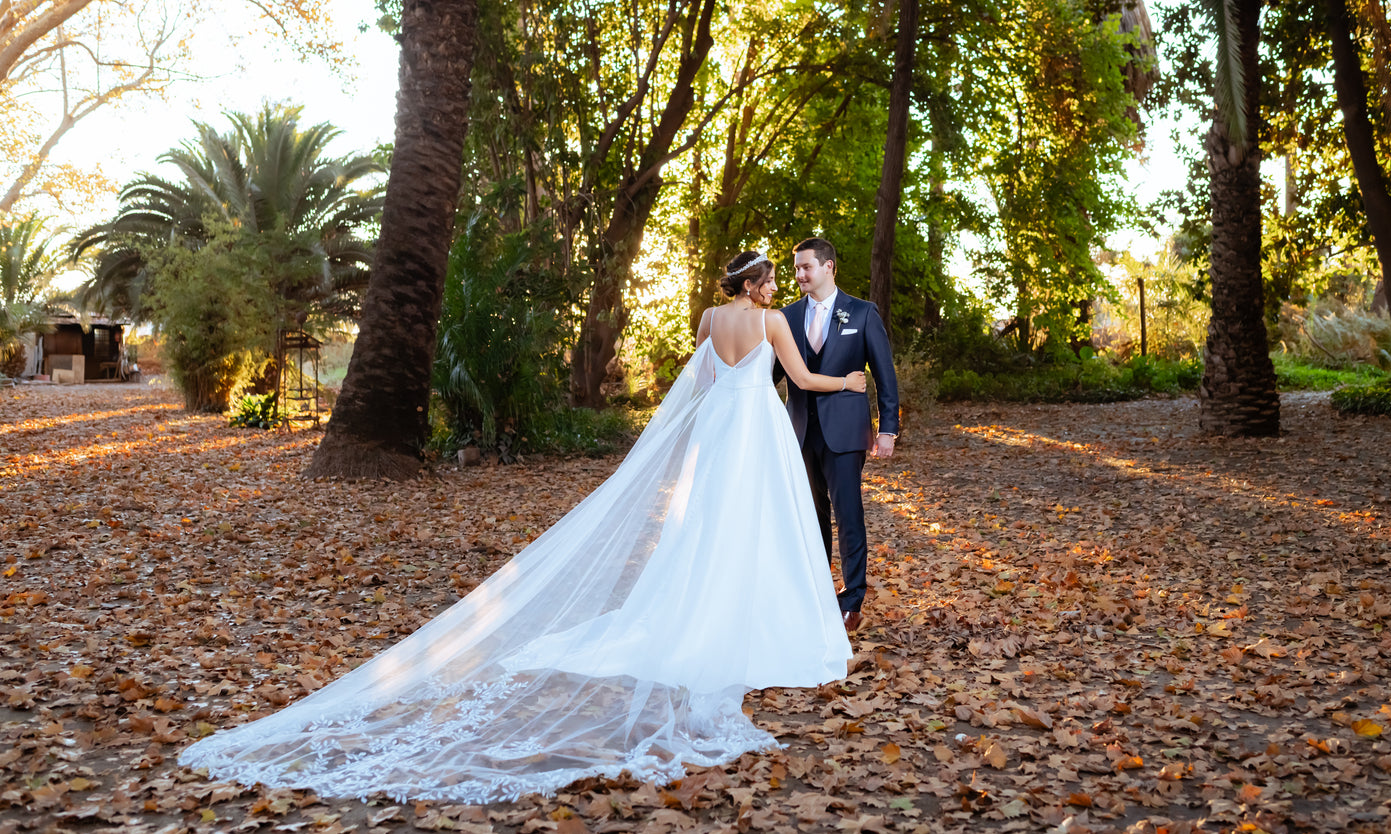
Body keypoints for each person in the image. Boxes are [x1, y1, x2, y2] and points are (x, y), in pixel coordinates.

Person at [178, 251, 863, 805]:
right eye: (771, 277)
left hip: (720, 428)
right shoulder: (771, 324)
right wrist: (851, 385)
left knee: (708, 525)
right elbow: (800, 377)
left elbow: (706, 384)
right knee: (752, 526)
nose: (778, 284)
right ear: (755, 283)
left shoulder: (712, 317)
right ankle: (749, 611)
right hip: (755, 428)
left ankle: (704, 602)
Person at [773, 237, 899, 633]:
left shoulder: (862, 314)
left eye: (805, 267)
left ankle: (852, 599)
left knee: (848, 514)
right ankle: (815, 593)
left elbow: (884, 375)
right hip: (800, 430)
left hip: (845, 433)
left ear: (829, 267)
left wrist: (888, 429)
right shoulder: (786, 317)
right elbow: (772, 377)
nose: (799, 275)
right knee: (811, 517)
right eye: (795, 269)